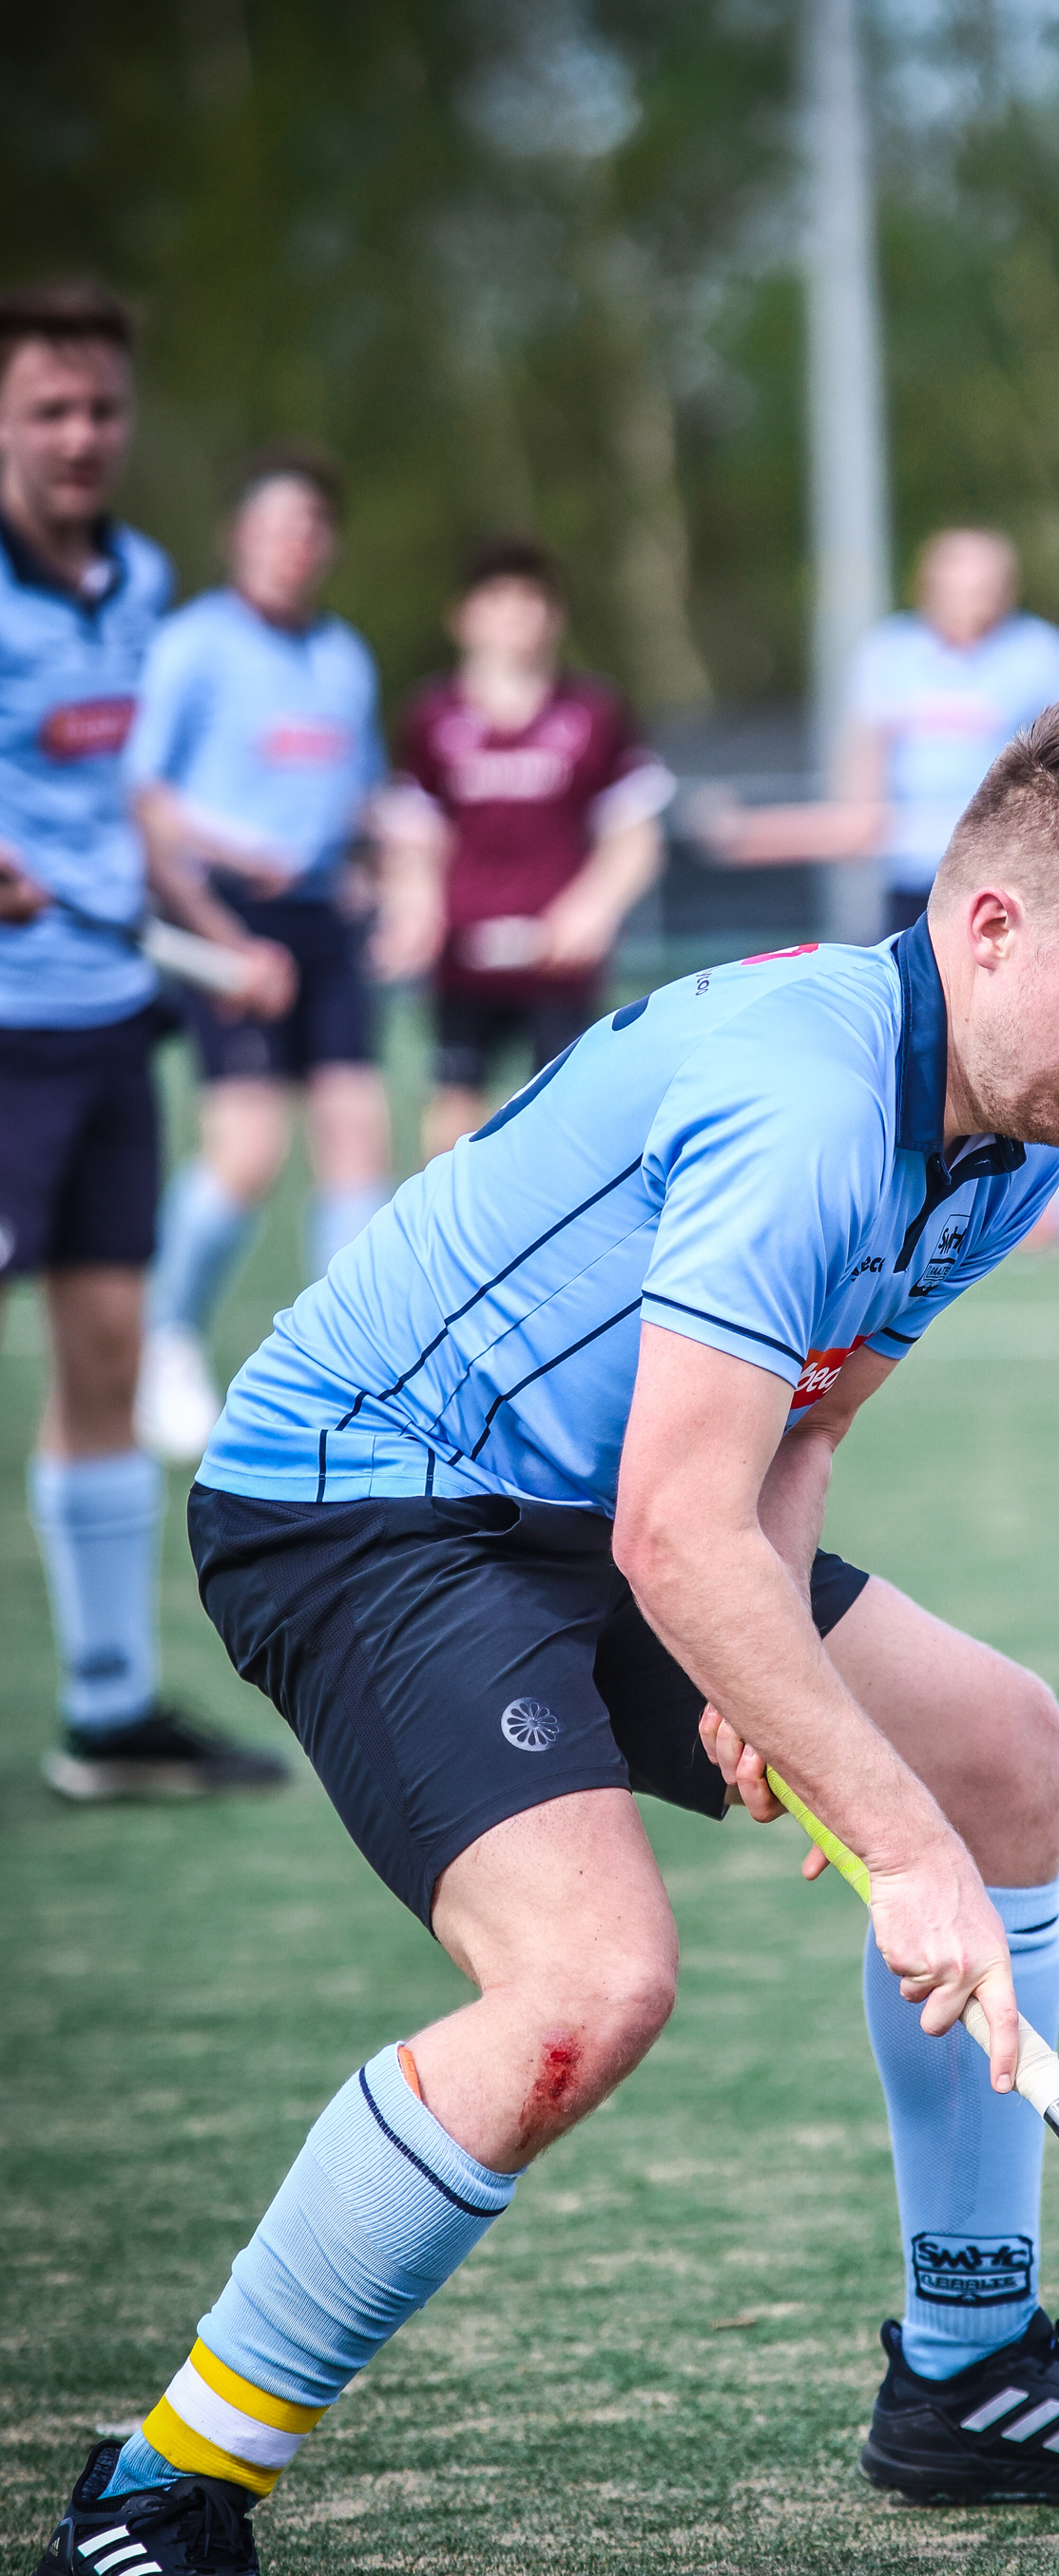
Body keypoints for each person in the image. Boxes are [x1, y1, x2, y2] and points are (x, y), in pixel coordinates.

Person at [24, 693, 1059, 2576]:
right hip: (366, 1503)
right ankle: (152, 2501)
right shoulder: (806, 1102)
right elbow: (672, 1541)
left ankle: (966, 2370)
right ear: (984, 929)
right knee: (588, 1988)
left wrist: (773, 1665)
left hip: (613, 1496)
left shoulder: (1007, 1140)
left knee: (998, 1750)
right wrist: (892, 1847)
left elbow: (791, 1437)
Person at [0, 280, 289, 1804]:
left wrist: (206, 929)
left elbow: (132, 804)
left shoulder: (136, 585)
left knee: (105, 1351)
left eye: (99, 407)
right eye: (47, 409)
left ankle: (106, 1716)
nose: (79, 435)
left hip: (109, 1020)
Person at [704, 527, 1059, 1259]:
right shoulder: (890, 658)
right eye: (963, 581)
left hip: (1018, 883)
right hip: (916, 889)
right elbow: (862, 791)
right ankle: (908, 1195)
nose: (978, 598)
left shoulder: (1042, 655)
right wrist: (763, 833)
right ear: (929, 584)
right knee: (917, 1042)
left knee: (1051, 1030)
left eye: (992, 582)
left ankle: (1058, 1201)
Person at [130, 447, 391, 1464]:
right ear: (240, 537)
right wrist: (227, 937)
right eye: (276, 525)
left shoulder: (343, 656)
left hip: (325, 920)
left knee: (358, 1140)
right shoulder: (191, 646)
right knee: (247, 1153)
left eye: (312, 528)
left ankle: (346, 1370)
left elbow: (359, 802)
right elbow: (147, 804)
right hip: (223, 918)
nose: (294, 545)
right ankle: (167, 1340)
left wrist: (391, 872)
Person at [375, 534, 673, 1160]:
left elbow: (634, 838)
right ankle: (453, 1257)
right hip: (462, 963)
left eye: (531, 599)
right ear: (465, 616)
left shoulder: (593, 713)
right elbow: (414, 839)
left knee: (568, 1127)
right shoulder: (432, 719)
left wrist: (592, 908)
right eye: (498, 598)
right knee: (452, 1127)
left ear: (554, 616)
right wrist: (414, 908)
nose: (516, 615)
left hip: (558, 967)